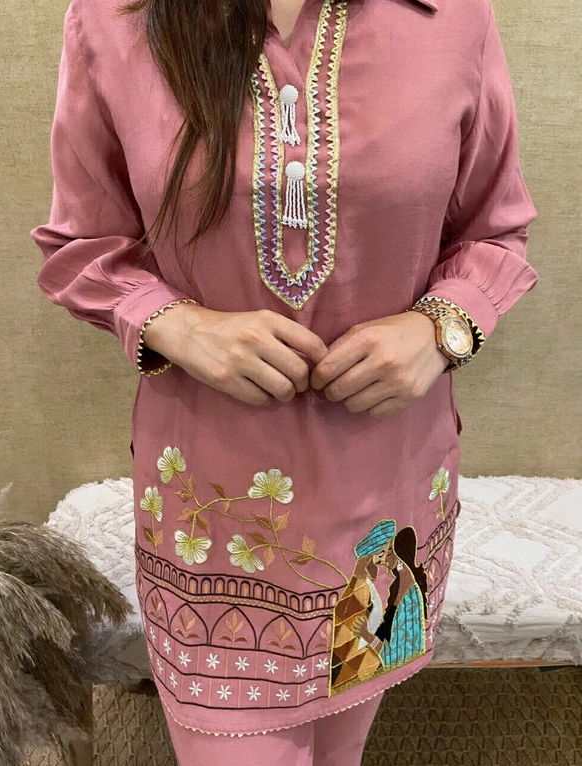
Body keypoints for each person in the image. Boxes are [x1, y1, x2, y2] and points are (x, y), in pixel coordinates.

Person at [29, 0, 539, 762]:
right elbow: (82, 246)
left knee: (340, 750)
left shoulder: (451, 16)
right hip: (215, 525)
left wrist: (440, 329)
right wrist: (181, 326)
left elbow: (494, 230)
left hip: (386, 514)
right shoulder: (115, 19)